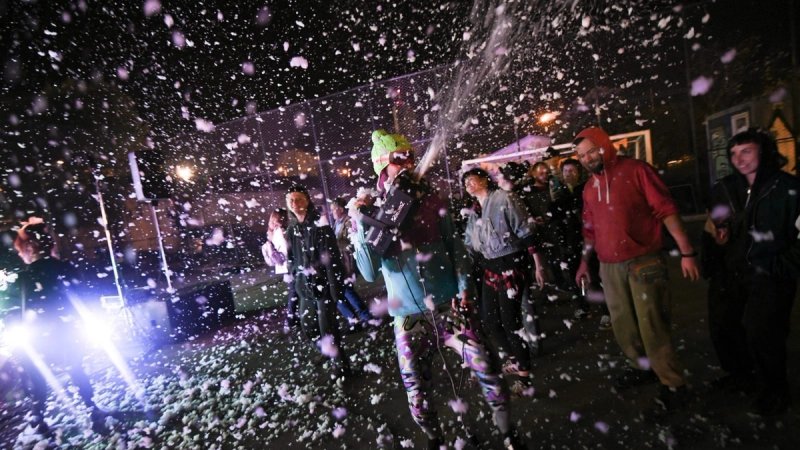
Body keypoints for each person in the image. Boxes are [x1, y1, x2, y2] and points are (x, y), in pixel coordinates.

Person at [352, 130, 524, 449]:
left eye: (410, 157)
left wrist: (463, 289)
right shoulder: (371, 208)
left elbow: (455, 248)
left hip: (449, 307)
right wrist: (361, 226)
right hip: (407, 319)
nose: (407, 164)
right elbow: (366, 271)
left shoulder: (430, 199)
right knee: (416, 394)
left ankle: (508, 433)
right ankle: (434, 440)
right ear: (382, 166)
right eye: (398, 159)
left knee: (489, 371)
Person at [572, 127, 700, 413]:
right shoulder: (589, 188)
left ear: (605, 146)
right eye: (581, 155)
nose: (587, 158)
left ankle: (674, 385)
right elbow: (590, 230)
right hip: (608, 266)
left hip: (643, 261)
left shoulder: (636, 170)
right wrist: (584, 262)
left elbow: (666, 210)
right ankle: (643, 367)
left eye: (591, 150)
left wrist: (687, 251)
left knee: (652, 325)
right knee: (624, 325)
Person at [701, 129, 800, 416]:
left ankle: (774, 390)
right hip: (730, 273)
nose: (739, 159)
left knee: (763, 332)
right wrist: (713, 258)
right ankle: (740, 376)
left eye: (746, 151)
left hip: (769, 274)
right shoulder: (726, 187)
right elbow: (712, 226)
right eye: (733, 153)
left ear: (763, 151)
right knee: (724, 327)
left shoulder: (787, 188)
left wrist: (779, 266)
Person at [8, 219, 107, 435]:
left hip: (37, 335)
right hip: (66, 329)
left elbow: (11, 306)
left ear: (29, 248)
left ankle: (39, 419)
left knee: (37, 379)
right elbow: (82, 294)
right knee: (76, 369)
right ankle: (92, 410)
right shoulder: (64, 268)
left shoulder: (25, 277)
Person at [461, 167, 544, 392]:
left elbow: (526, 230)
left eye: (472, 179)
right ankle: (515, 359)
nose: (468, 184)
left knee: (511, 322)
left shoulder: (504, 198)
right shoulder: (473, 212)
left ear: (485, 180)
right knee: (490, 321)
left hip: (511, 266)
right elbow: (469, 244)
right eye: (465, 182)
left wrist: (538, 265)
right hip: (489, 269)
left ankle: (525, 376)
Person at [284, 186, 350, 378]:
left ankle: (341, 367)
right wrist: (295, 279)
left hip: (323, 287)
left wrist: (335, 288)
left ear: (307, 200)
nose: (294, 204)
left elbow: (333, 258)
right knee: (308, 326)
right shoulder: (291, 229)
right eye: (291, 200)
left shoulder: (320, 225)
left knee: (328, 329)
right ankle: (326, 352)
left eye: (298, 199)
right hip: (304, 287)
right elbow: (291, 258)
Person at [330, 196, 373, 328]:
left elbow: (351, 240)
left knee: (345, 289)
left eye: (334, 209)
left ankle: (361, 316)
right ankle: (358, 317)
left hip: (346, 261)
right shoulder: (336, 223)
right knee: (343, 290)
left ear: (341, 209)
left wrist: (334, 242)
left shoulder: (348, 221)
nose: (332, 212)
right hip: (339, 261)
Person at [261, 208, 298, 333]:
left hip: (287, 266)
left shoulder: (277, 232)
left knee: (295, 293)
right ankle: (291, 320)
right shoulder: (278, 232)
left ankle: (292, 319)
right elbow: (283, 253)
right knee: (294, 293)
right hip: (288, 266)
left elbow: (283, 252)